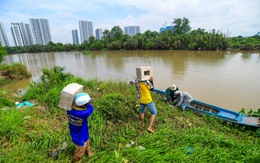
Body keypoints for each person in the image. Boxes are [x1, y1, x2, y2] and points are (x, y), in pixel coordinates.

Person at [66, 92, 95, 162]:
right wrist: (87, 104)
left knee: (87, 142)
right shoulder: (83, 113)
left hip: (80, 132)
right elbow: (91, 108)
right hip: (80, 138)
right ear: (83, 105)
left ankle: (89, 153)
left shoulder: (69, 110)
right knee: (79, 153)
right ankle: (74, 161)